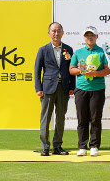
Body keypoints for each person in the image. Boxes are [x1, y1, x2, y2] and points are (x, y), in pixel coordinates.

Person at [34, 22, 75, 156]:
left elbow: (71, 69)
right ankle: (45, 147)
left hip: (63, 88)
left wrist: (71, 87)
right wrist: (38, 88)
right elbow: (37, 70)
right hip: (47, 89)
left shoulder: (68, 49)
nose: (56, 33)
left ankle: (57, 146)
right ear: (49, 33)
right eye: (53, 31)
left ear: (63, 33)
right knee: (45, 118)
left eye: (58, 31)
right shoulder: (43, 50)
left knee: (61, 118)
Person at [69, 26, 110, 157]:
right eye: (87, 35)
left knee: (95, 119)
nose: (90, 37)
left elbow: (108, 70)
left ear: (97, 36)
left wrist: (95, 73)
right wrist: (81, 70)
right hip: (81, 89)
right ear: (84, 38)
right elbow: (71, 70)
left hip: (97, 89)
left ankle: (94, 146)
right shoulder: (78, 52)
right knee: (82, 119)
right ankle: (82, 146)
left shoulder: (102, 52)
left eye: (92, 35)